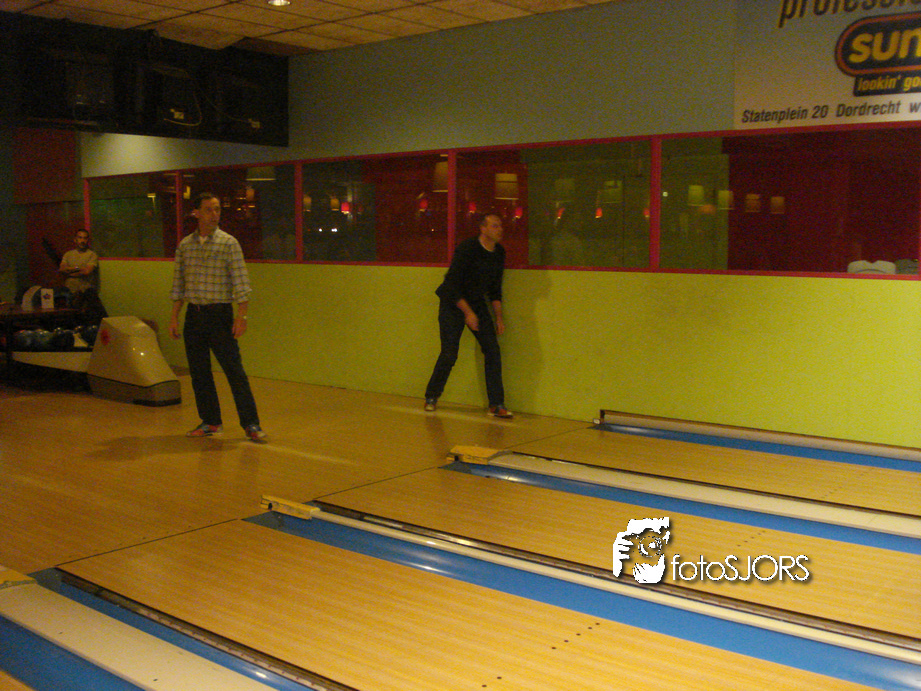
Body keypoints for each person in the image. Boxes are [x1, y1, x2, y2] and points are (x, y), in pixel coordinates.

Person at [169, 192, 267, 441]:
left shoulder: (228, 243)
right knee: (199, 373)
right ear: (196, 213)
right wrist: (174, 317)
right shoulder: (185, 246)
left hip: (219, 315)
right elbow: (178, 285)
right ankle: (210, 422)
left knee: (234, 371)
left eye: (217, 209)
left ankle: (251, 424)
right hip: (194, 316)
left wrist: (241, 316)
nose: (214, 214)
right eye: (209, 209)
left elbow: (241, 283)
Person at [424, 212, 512, 418]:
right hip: (452, 302)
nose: (499, 229)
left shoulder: (499, 253)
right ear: (483, 228)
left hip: (476, 303)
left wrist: (498, 317)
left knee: (492, 350)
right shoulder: (467, 248)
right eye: (494, 226)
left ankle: (496, 404)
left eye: (500, 225)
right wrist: (468, 313)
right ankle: (431, 396)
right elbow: (451, 284)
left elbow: (495, 290)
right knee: (449, 354)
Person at [59, 229, 99, 294]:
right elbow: (62, 269)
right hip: (69, 290)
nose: (82, 241)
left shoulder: (92, 255)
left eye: (85, 238)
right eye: (80, 238)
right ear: (75, 240)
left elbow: (86, 271)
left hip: (85, 291)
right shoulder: (68, 254)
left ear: (88, 240)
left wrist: (70, 271)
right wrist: (79, 269)